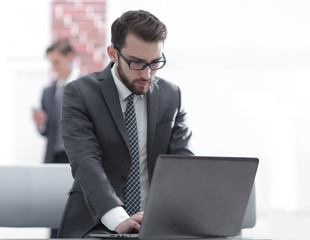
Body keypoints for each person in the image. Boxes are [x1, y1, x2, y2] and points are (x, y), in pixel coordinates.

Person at [57, 10, 194, 238]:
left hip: (157, 227)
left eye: (155, 63)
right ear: (113, 53)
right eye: (137, 63)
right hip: (96, 225)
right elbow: (85, 161)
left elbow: (184, 165)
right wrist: (119, 219)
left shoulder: (172, 95)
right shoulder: (79, 93)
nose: (147, 74)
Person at [32, 39, 81, 164]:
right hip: (54, 157)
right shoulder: (48, 92)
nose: (54, 68)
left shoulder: (87, 86)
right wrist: (41, 124)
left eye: (57, 62)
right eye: (51, 63)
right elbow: (47, 132)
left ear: (69, 57)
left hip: (80, 158)